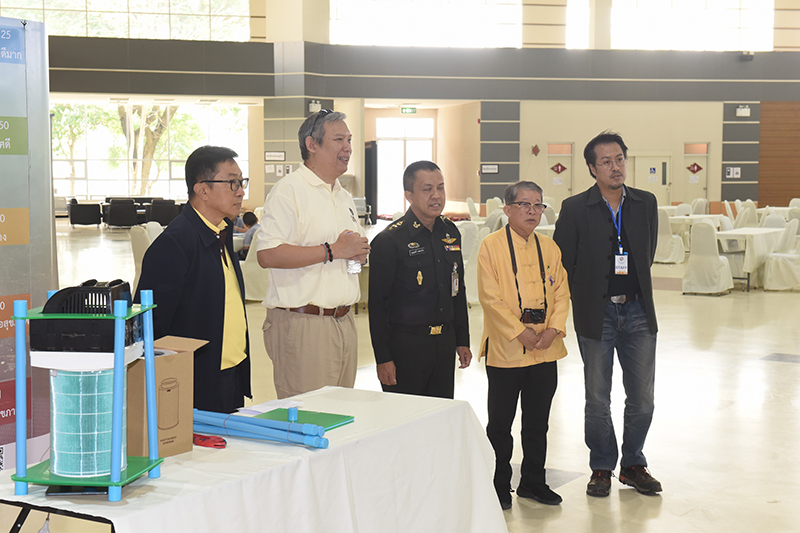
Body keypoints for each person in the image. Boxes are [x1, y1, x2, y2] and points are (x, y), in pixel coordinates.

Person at [553, 131, 662, 498]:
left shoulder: (645, 203)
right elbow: (564, 262)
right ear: (591, 168)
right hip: (596, 312)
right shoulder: (575, 208)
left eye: (619, 160)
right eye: (606, 162)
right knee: (598, 398)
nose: (615, 167)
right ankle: (601, 466)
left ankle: (633, 464)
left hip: (639, 310)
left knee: (642, 398)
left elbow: (647, 254)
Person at [257, 109, 370, 399]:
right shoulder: (289, 191)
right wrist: (332, 251)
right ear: (312, 144)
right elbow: (267, 254)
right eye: (338, 139)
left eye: (349, 140)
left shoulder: (343, 196)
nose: (348, 147)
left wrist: (357, 256)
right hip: (304, 324)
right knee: (309, 416)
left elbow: (346, 255)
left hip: (344, 322)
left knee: (340, 414)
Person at [136, 145, 251, 413]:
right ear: (202, 190)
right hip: (197, 382)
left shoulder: (221, 231)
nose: (240, 191)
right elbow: (150, 327)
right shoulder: (175, 244)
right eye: (231, 182)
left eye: (241, 181)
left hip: (231, 371)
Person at [477, 181, 570, 510]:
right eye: (524, 205)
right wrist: (520, 332)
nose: (532, 211)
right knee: (500, 424)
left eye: (538, 205)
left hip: (545, 349)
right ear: (507, 209)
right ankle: (499, 483)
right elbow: (490, 298)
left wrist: (553, 330)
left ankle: (533, 481)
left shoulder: (550, 247)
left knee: (537, 423)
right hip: (507, 350)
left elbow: (562, 293)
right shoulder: (491, 246)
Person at [368, 161, 472, 399]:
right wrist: (383, 358)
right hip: (406, 347)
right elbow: (377, 305)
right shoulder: (390, 240)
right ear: (409, 196)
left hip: (444, 344)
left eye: (441, 188)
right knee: (406, 416)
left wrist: (462, 340)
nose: (436, 195)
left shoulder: (450, 232)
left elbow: (457, 289)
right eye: (427, 189)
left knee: (440, 414)